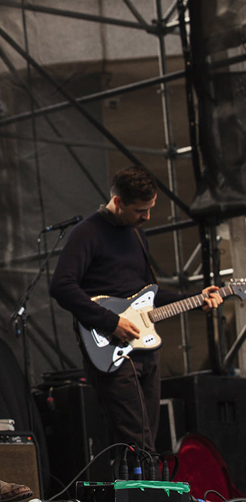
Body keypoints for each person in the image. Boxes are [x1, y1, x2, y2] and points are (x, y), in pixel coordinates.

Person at [49, 165, 223, 450]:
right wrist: (111, 322)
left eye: (150, 208)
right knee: (136, 440)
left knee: (146, 439)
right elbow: (61, 286)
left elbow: (150, 295)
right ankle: (141, 493)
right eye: (141, 210)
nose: (147, 217)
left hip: (145, 350)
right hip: (112, 349)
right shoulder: (87, 233)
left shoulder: (137, 234)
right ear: (118, 201)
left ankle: (141, 490)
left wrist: (196, 299)